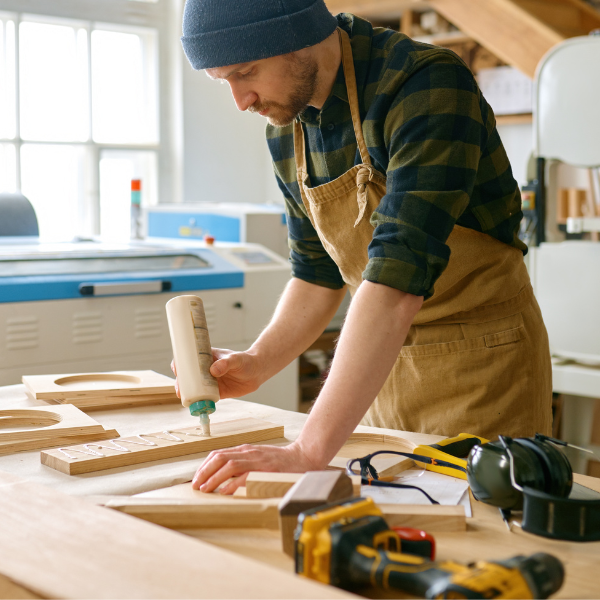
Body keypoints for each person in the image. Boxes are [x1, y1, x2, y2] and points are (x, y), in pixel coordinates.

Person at [177, 0, 552, 494]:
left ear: (299, 33)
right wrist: (258, 362)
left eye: (246, 72)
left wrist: (307, 451)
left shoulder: (427, 86)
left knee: (480, 541)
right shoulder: (287, 127)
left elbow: (397, 278)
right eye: (221, 80)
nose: (241, 100)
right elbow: (316, 274)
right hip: (379, 372)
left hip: (483, 367)